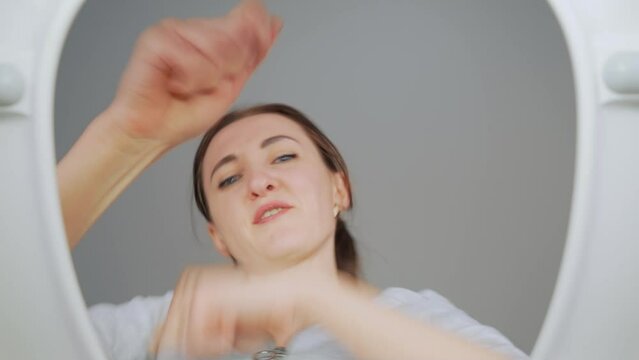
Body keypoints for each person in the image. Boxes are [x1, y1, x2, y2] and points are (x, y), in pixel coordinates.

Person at [57, 1, 529, 359]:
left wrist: (313, 296)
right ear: (218, 238)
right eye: (228, 179)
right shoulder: (155, 328)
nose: (259, 182)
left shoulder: (412, 323)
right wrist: (124, 136)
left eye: (282, 156)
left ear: (338, 190)